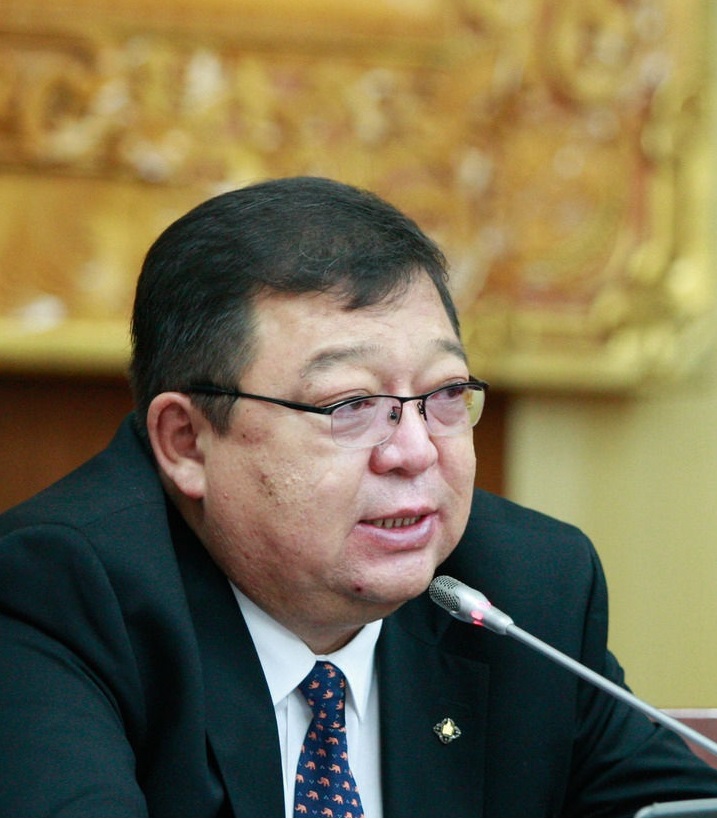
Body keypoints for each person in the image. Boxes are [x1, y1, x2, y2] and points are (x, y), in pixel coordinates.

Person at [0, 176, 716, 818]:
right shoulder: (56, 593)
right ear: (188, 441)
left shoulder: (526, 588)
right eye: (349, 405)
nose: (415, 451)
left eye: (444, 394)